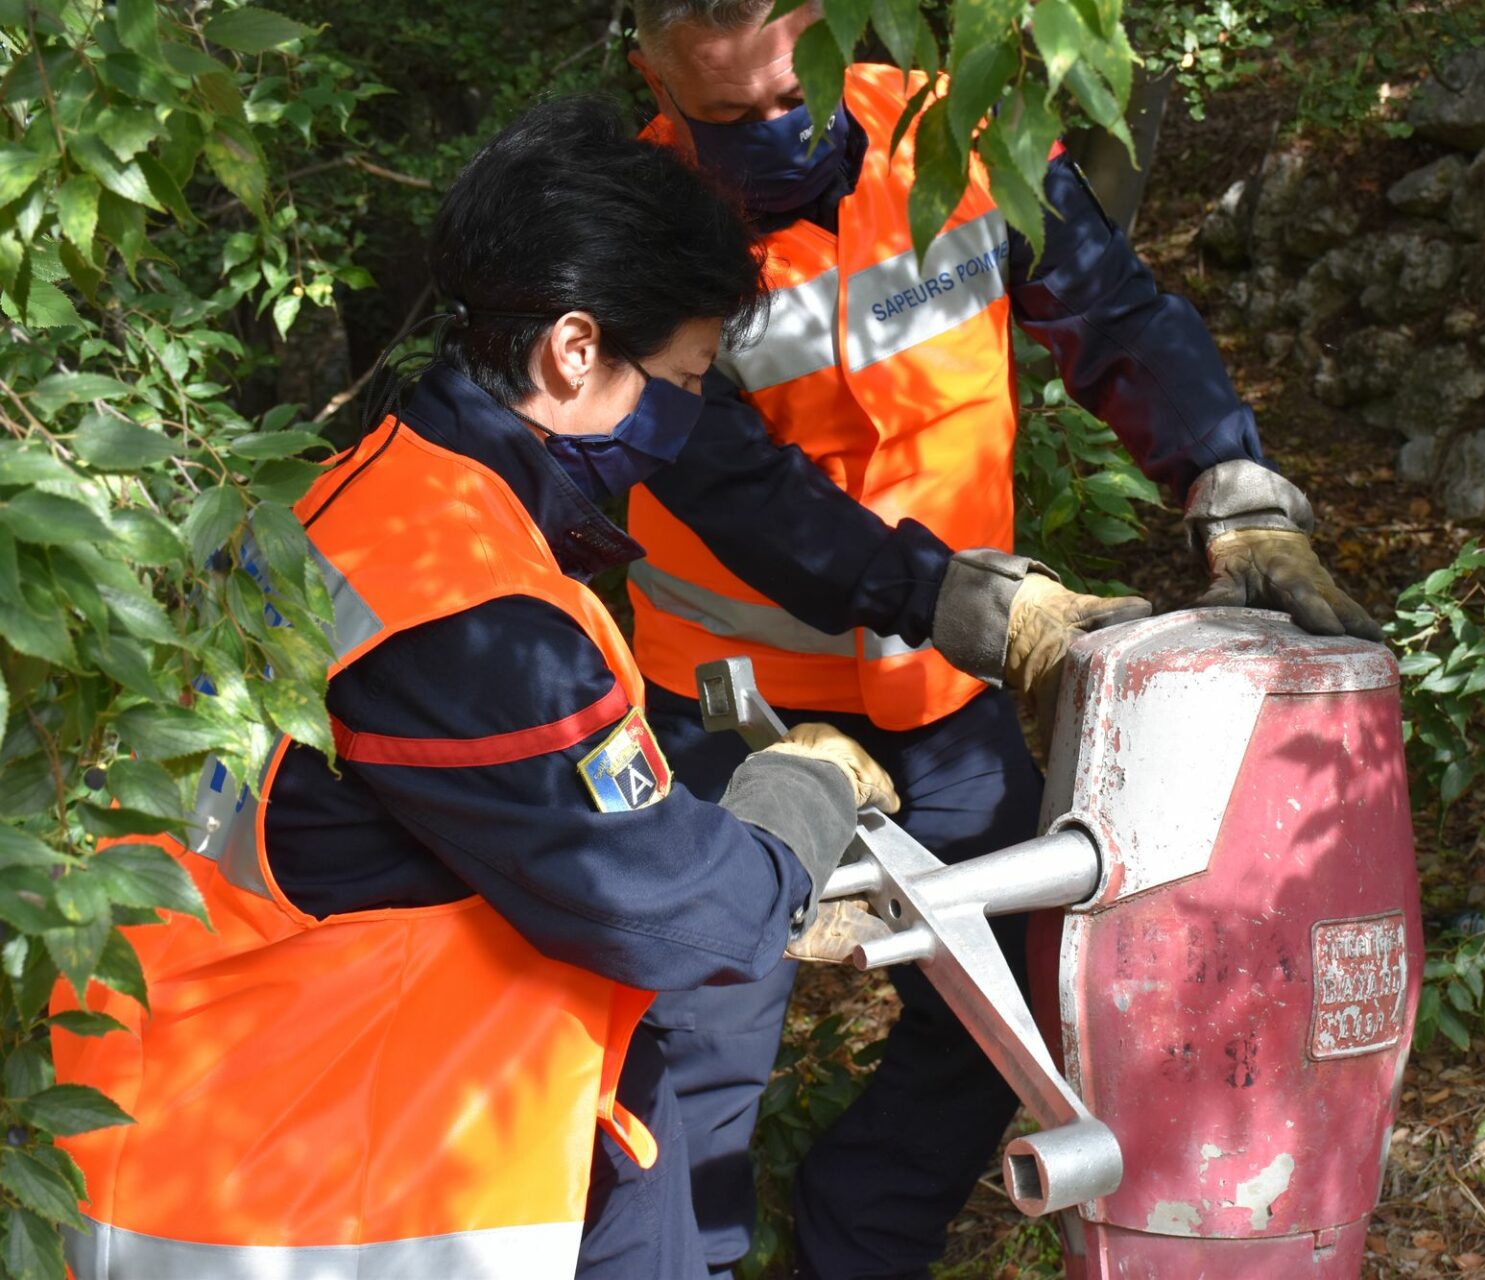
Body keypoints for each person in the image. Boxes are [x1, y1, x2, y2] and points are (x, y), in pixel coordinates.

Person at [51, 95, 899, 1280]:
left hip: (240, 1104)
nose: (693, 416)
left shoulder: (348, 503)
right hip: (313, 1193)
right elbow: (676, 907)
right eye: (690, 376)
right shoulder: (463, 613)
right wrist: (799, 798)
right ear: (574, 348)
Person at [619, 5, 1387, 1277]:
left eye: (780, 106)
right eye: (726, 121)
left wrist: (1230, 481)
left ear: (816, 23)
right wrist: (993, 607)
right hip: (728, 703)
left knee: (1012, 1007)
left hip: (942, 688)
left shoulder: (960, 133)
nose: (766, 140)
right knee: (702, 1033)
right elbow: (742, 493)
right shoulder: (633, 232)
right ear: (646, 63)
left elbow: (1117, 317)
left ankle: (858, 1234)